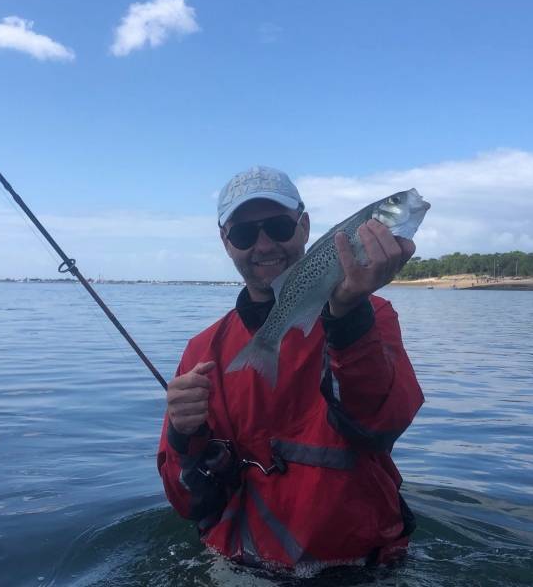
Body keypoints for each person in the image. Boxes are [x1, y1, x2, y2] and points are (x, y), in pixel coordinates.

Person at [157, 166, 424, 568]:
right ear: (226, 243)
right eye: (245, 234)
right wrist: (183, 436)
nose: (264, 245)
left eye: (279, 227)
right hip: (243, 565)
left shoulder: (371, 318)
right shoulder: (202, 352)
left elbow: (381, 426)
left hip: (358, 566)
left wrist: (349, 316)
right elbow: (187, 503)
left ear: (305, 227)